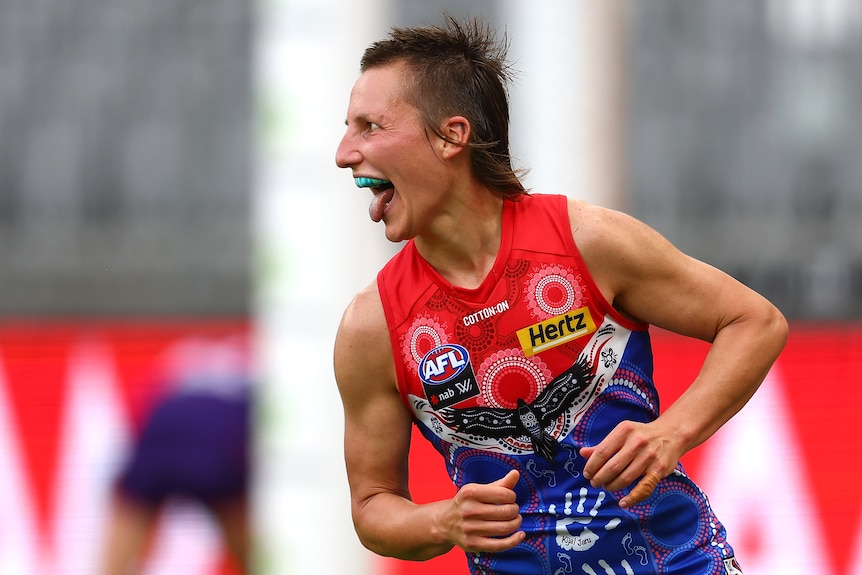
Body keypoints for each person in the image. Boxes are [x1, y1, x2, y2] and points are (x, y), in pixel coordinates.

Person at [333, 14, 787, 575]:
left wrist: (673, 431)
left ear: (452, 135)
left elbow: (754, 321)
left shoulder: (586, 241)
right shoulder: (372, 326)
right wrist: (442, 521)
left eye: (369, 127)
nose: (344, 153)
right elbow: (372, 505)